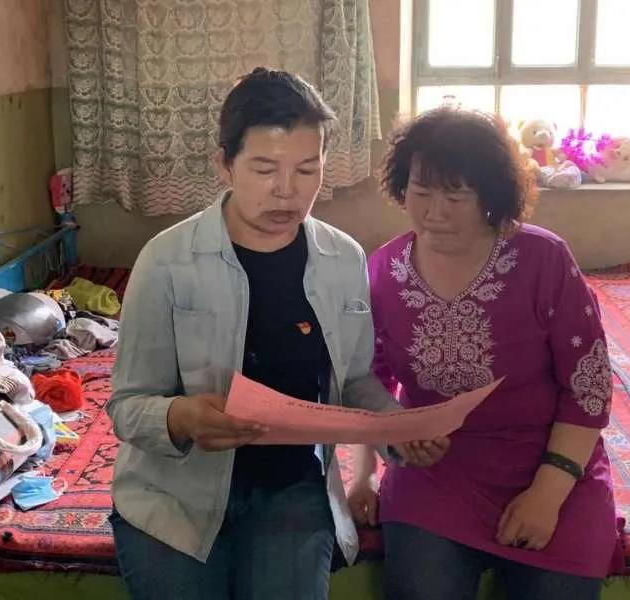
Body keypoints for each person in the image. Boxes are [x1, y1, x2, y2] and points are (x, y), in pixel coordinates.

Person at [106, 68, 447, 600]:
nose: (287, 191)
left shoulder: (342, 259)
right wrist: (182, 416)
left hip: (291, 488)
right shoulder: (167, 261)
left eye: (307, 170)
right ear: (225, 164)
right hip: (174, 495)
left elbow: (354, 381)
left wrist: (396, 428)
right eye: (264, 169)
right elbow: (127, 406)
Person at [347, 107, 622, 600]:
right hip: (436, 473)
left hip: (549, 460)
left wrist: (548, 492)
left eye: (455, 196)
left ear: (492, 195)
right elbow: (368, 377)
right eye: (421, 192)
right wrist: (363, 475)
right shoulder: (384, 271)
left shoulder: (544, 260)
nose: (434, 212)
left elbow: (588, 386)